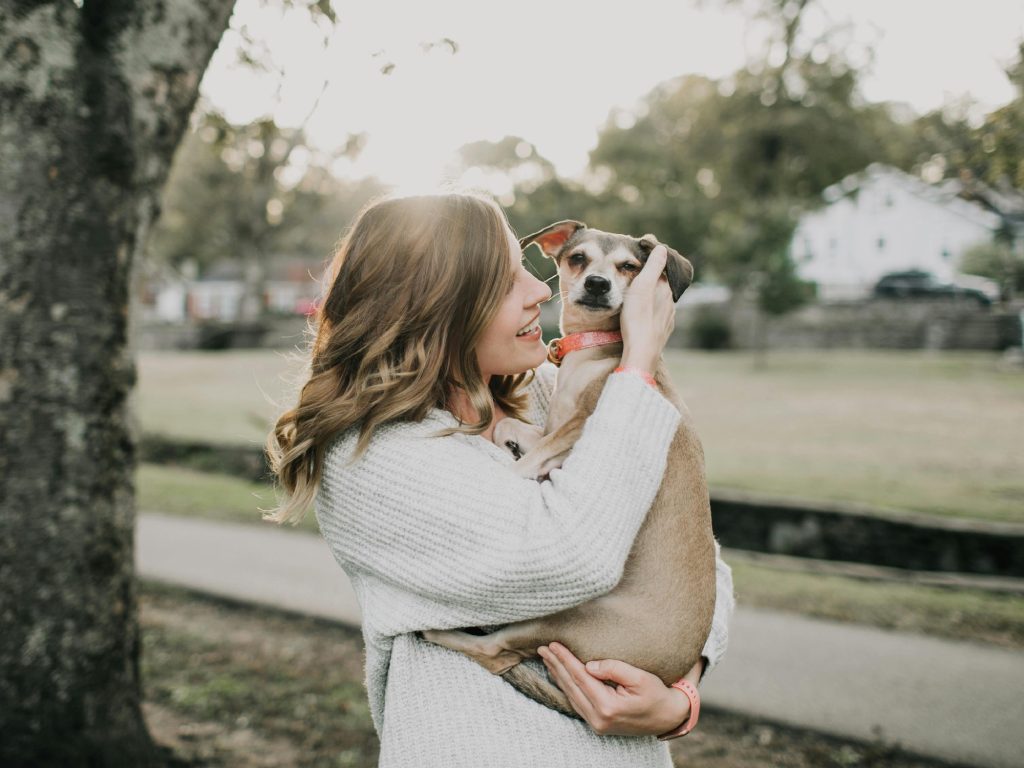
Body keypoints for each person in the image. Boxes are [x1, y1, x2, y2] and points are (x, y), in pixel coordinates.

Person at [265, 191, 734, 768]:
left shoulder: (546, 395)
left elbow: (696, 559)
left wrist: (680, 695)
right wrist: (637, 367)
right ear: (439, 305)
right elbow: (571, 555)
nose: (542, 289)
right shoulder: (372, 458)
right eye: (509, 279)